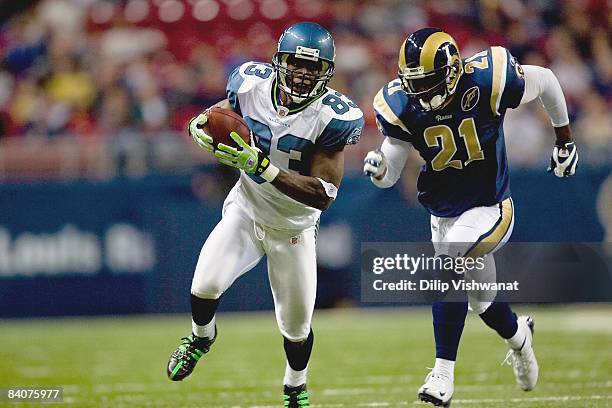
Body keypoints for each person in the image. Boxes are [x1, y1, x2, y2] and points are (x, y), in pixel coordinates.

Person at [363, 27, 577, 406]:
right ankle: (520, 337)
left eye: (427, 82)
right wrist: (380, 170)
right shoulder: (401, 104)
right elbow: (390, 170)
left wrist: (564, 139)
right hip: (442, 213)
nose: (419, 92)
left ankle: (442, 373)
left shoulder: (487, 78)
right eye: (413, 83)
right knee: (480, 300)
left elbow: (545, 80)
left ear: (450, 71)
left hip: (490, 205)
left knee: (448, 264)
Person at [167, 22, 364, 408]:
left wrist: (264, 167)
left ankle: (295, 386)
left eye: (314, 67)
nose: (304, 74)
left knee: (295, 328)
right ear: (279, 61)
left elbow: (323, 195)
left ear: (327, 72)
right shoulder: (250, 84)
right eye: (296, 63)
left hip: (293, 227)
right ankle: (201, 337)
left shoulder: (332, 116)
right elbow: (221, 113)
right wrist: (198, 125)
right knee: (204, 285)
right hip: (246, 209)